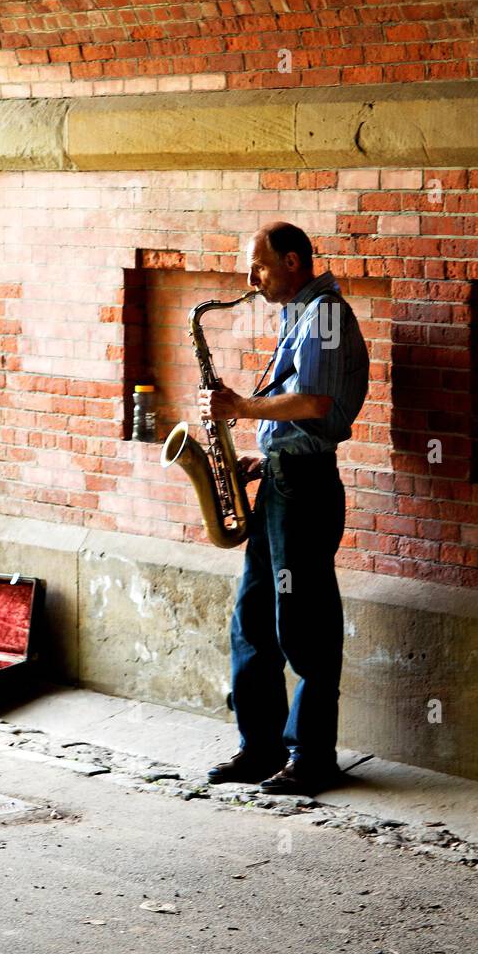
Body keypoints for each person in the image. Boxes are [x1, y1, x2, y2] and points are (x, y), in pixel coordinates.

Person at [199, 221, 369, 797]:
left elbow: (318, 402)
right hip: (282, 479)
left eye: (260, 267)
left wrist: (241, 407)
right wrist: (261, 455)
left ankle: (313, 756)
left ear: (293, 261)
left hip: (306, 488)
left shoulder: (323, 315)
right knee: (251, 619)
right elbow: (296, 411)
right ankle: (261, 746)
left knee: (304, 624)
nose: (250, 280)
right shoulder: (297, 313)